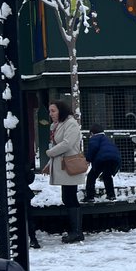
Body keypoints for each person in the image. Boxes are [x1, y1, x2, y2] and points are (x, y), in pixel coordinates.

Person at [43, 101, 86, 244]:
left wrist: (50, 153)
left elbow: (67, 143)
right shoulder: (58, 125)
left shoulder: (71, 123)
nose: (51, 114)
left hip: (69, 166)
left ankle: (76, 231)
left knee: (70, 197)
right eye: (50, 111)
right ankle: (74, 230)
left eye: (53, 111)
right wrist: (50, 164)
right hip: (63, 166)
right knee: (67, 197)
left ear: (61, 110)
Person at [82, 123, 121, 202]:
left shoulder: (94, 138)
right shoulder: (106, 138)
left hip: (102, 159)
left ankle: (90, 196)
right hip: (114, 159)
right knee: (107, 176)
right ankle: (111, 195)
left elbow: (93, 148)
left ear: (92, 133)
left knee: (91, 177)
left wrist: (88, 159)